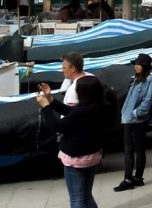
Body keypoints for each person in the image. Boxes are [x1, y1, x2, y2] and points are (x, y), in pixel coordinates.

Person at [37, 75, 110, 208]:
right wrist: (50, 100)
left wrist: (46, 107)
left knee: (77, 200)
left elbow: (57, 126)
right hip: (93, 157)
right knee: (87, 196)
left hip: (76, 160)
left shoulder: (82, 112)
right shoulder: (100, 107)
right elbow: (72, 112)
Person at [114, 53, 152, 192]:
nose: (137, 67)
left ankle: (133, 178)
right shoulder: (136, 79)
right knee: (130, 150)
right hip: (129, 119)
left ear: (145, 66)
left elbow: (147, 101)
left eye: (139, 64)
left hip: (137, 120)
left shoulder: (149, 80)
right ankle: (133, 178)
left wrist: (135, 113)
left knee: (136, 150)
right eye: (136, 64)